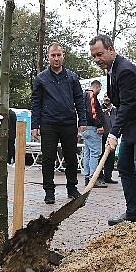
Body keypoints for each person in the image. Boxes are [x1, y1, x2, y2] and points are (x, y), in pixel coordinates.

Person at [90, 34, 136, 232]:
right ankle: (132, 213)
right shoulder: (112, 70)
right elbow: (119, 100)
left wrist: (113, 133)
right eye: (94, 56)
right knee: (124, 167)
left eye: (100, 54)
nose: (97, 60)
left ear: (111, 49)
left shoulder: (125, 70)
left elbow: (127, 105)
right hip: (133, 126)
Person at [31, 42, 86, 204]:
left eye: (58, 55)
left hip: (68, 123)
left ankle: (72, 187)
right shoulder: (41, 78)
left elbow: (79, 100)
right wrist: (35, 125)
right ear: (48, 57)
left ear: (64, 56)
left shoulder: (72, 77)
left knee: (71, 157)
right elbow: (36, 102)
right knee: (48, 158)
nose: (56, 58)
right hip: (48, 123)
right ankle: (49, 191)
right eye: (52, 55)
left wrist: (82, 119)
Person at [82, 80, 106, 187]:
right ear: (97, 87)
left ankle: (87, 177)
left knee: (88, 153)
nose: (99, 91)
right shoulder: (91, 94)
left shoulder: (83, 95)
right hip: (92, 128)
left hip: (85, 127)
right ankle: (93, 178)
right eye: (99, 89)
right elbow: (92, 111)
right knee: (95, 153)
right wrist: (99, 125)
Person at [100, 93, 118, 184]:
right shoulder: (99, 109)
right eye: (105, 97)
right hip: (102, 136)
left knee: (111, 157)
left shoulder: (115, 110)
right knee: (101, 156)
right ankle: (100, 177)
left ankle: (108, 177)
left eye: (107, 96)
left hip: (113, 136)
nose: (106, 98)